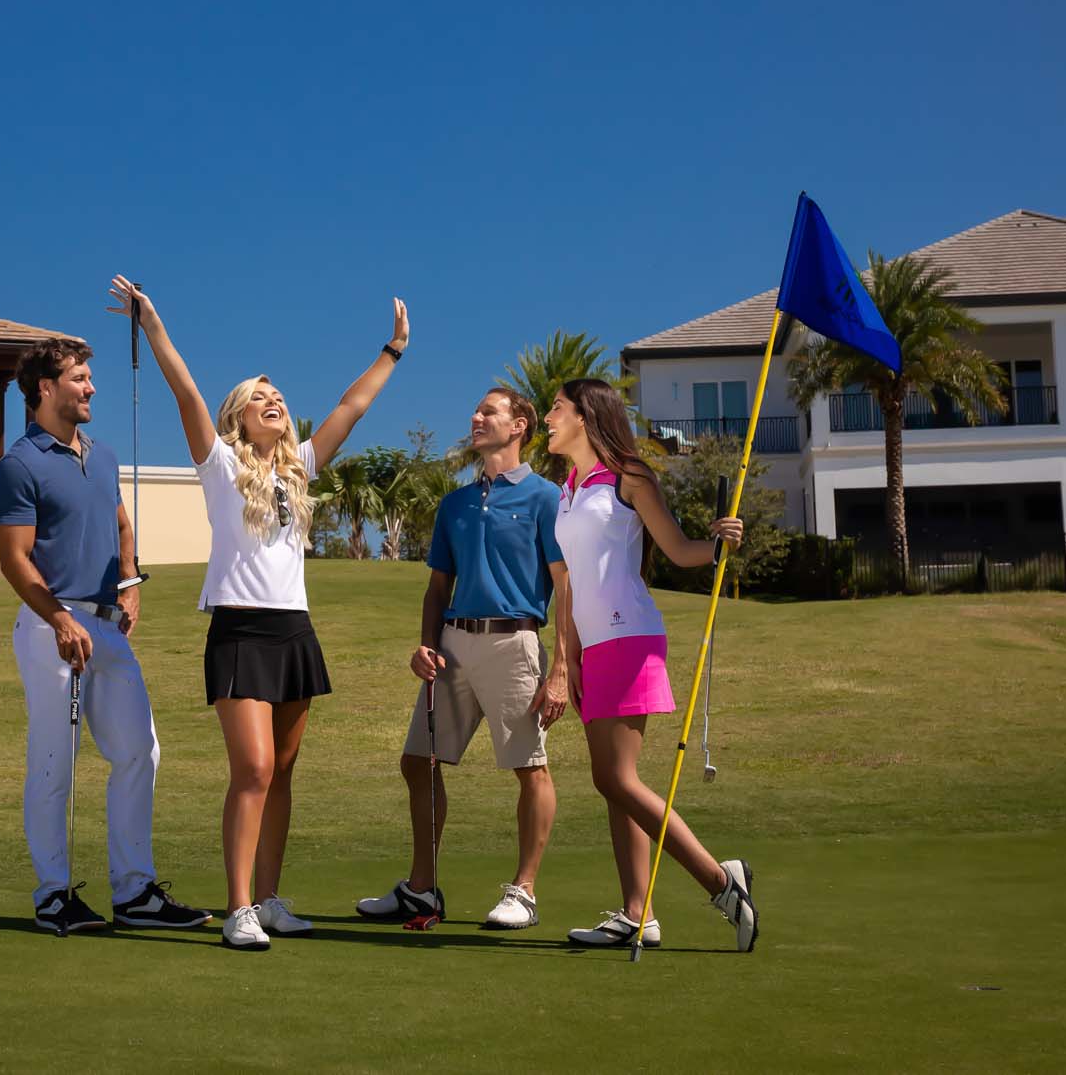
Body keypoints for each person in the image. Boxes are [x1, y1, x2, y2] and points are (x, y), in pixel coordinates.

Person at [110, 276, 408, 950]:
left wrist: (392, 350)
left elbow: (350, 408)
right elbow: (186, 390)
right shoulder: (218, 466)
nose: (273, 402)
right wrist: (152, 322)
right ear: (238, 417)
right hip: (240, 631)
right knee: (254, 769)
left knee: (284, 773)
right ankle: (238, 906)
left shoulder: (299, 469)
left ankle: (269, 898)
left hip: (294, 631)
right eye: (258, 399)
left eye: (277, 397)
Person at [0, 335, 210, 935]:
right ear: (45, 387)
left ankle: (135, 892)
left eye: (89, 378)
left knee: (141, 749)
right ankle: (53, 895)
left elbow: (119, 522)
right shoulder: (20, 464)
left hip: (107, 629)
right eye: (80, 378)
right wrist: (58, 618)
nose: (91, 388)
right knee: (55, 763)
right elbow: (15, 559)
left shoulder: (103, 456)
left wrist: (131, 581)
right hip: (50, 628)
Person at [545, 377, 759, 952]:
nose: (547, 417)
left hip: (632, 637)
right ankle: (638, 913)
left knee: (615, 778)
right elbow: (568, 585)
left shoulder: (628, 478)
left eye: (557, 409)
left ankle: (721, 881)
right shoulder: (566, 489)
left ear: (586, 417)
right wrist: (568, 657)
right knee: (617, 786)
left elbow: (679, 549)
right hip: (595, 647)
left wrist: (719, 544)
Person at [356, 388, 570, 929]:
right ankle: (422, 889)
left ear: (520, 425)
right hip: (452, 647)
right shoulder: (454, 504)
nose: (476, 418)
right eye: (474, 411)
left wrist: (562, 670)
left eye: (489, 412)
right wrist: (426, 643)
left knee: (530, 767)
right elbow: (436, 588)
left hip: (514, 643)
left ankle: (523, 892)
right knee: (417, 762)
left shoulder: (546, 497)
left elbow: (566, 587)